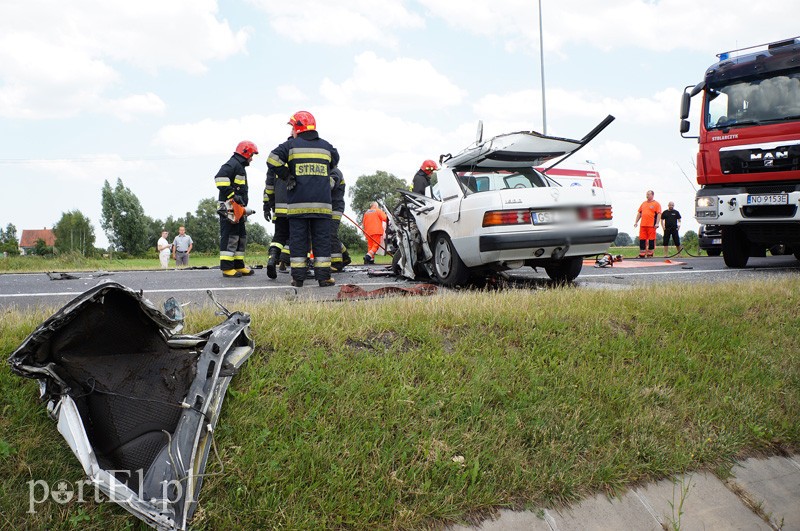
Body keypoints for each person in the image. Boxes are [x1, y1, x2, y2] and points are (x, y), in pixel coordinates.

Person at [266, 111, 339, 288]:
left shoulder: (290, 146)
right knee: (322, 241)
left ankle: (298, 279)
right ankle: (324, 278)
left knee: (298, 241)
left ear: (298, 128)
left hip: (298, 206)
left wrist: (287, 175)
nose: (292, 131)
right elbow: (335, 161)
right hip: (322, 206)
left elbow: (272, 159)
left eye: (292, 127)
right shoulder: (327, 147)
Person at [215, 140, 258, 278]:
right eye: (251, 155)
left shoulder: (239, 166)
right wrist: (232, 195)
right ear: (245, 153)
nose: (252, 159)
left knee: (240, 237)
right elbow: (219, 178)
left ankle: (238, 265)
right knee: (230, 237)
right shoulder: (232, 164)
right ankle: (227, 268)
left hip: (238, 209)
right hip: (229, 209)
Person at [264, 149, 291, 279]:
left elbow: (268, 188)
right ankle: (286, 262)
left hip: (279, 209)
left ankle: (272, 259)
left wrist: (268, 206)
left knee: (279, 237)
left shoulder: (274, 165)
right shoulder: (297, 160)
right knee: (299, 237)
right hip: (296, 208)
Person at [329, 167, 351, 272]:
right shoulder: (332, 171)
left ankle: (337, 263)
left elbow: (330, 186)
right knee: (330, 234)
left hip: (335, 208)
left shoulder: (335, 172)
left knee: (331, 234)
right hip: (330, 207)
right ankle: (345, 257)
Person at [633, 190, 662, 258]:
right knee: (642, 239)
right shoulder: (643, 203)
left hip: (651, 225)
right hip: (643, 225)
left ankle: (650, 254)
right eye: (647, 194)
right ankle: (642, 254)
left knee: (651, 239)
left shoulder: (656, 204)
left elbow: (659, 214)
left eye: (648, 194)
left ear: (652, 195)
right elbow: (639, 213)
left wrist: (657, 223)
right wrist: (636, 222)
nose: (647, 196)